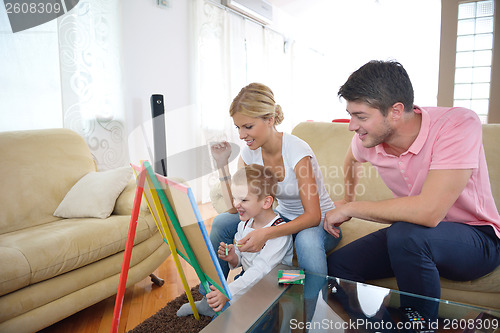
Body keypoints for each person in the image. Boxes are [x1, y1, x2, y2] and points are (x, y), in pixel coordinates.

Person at [324, 60, 500, 322]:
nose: (352, 125)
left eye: (360, 116)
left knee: (406, 234)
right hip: (411, 237)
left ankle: (418, 327)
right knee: (337, 269)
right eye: (351, 114)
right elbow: (352, 158)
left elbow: (429, 213)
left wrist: (351, 207)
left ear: (395, 111)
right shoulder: (368, 139)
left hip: (477, 239)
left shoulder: (458, 124)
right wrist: (347, 195)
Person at [206, 164, 293, 314]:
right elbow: (242, 259)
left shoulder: (279, 233)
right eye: (235, 198)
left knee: (237, 319)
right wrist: (233, 257)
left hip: (277, 285)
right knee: (226, 315)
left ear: (266, 202)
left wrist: (228, 292)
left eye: (243, 200)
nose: (235, 204)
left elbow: (261, 270)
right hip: (254, 279)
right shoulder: (244, 224)